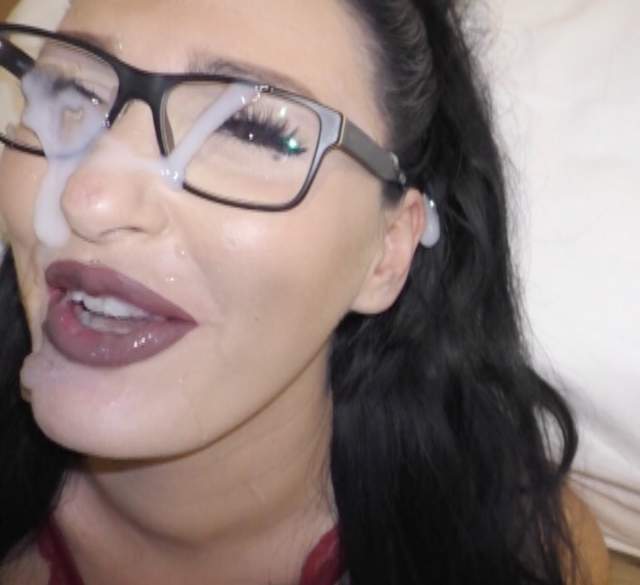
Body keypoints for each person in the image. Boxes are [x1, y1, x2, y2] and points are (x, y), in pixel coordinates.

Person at [0, 1, 608, 583]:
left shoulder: (522, 548)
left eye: (251, 130)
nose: (91, 200)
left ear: (388, 252)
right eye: (70, 93)